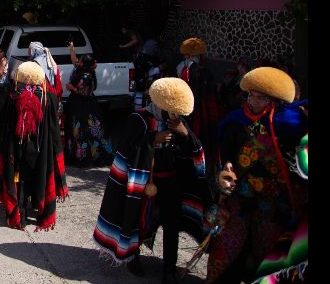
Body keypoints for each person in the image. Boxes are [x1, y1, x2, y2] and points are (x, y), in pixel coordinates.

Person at [93, 77, 210, 284]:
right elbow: (127, 149)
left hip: (171, 183)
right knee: (139, 220)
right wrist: (152, 139)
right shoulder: (138, 119)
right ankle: (132, 255)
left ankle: (169, 269)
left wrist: (185, 134)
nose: (173, 114)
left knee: (171, 224)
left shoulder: (178, 122)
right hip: (143, 183)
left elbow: (195, 152)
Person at [205, 67, 308, 283]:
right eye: (250, 94)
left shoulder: (293, 125)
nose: (253, 100)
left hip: (273, 203)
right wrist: (224, 173)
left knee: (267, 256)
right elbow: (225, 157)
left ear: (274, 100)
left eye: (260, 97)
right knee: (224, 250)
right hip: (240, 197)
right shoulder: (235, 121)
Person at [0, 61, 68, 230]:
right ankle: (40, 213)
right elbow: (54, 127)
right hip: (41, 149)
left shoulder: (11, 96)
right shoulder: (50, 97)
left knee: (19, 180)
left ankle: (20, 216)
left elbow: (0, 124)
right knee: (39, 178)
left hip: (16, 149)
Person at [176, 38, 224, 171]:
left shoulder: (180, 68)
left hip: (184, 108)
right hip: (200, 110)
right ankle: (201, 167)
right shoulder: (202, 72)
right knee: (201, 137)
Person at [65, 54, 111, 166]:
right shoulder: (86, 71)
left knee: (83, 131)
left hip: (83, 106)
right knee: (84, 131)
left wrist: (71, 87)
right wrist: (71, 50)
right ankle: (83, 155)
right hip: (83, 105)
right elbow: (75, 62)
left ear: (84, 64)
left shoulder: (86, 75)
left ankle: (84, 158)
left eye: (80, 61)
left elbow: (84, 93)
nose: (78, 62)